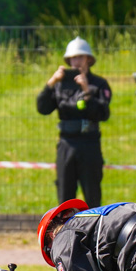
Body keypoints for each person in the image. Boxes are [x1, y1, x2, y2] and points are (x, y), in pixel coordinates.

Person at [37, 37, 111, 208]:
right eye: (73, 58)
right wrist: (51, 83)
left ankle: (94, 233)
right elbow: (43, 108)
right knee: (65, 197)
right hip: (66, 144)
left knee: (92, 196)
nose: (76, 62)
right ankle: (66, 233)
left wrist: (87, 90)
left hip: (90, 144)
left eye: (80, 57)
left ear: (89, 60)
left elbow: (103, 113)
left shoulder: (99, 84)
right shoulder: (60, 84)